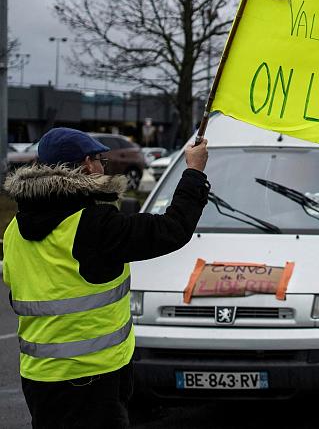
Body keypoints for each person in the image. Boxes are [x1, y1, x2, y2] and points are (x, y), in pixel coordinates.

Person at [2, 127, 210, 428]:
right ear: (88, 164)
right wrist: (194, 172)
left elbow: (17, 292)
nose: (103, 167)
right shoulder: (93, 224)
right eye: (101, 160)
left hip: (39, 377)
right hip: (91, 380)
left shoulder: (14, 230)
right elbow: (171, 229)